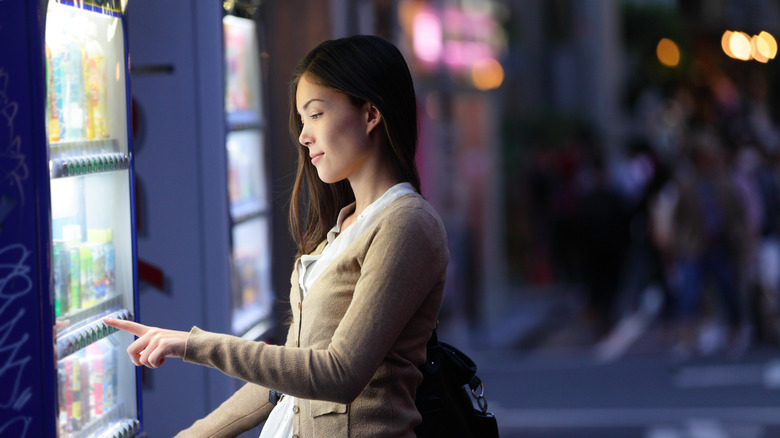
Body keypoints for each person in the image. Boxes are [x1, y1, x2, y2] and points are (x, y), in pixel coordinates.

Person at [104, 34, 449, 438]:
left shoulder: (406, 224)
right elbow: (284, 380)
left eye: (316, 114)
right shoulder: (342, 228)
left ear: (371, 114)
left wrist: (192, 345)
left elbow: (339, 374)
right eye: (302, 120)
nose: (304, 136)